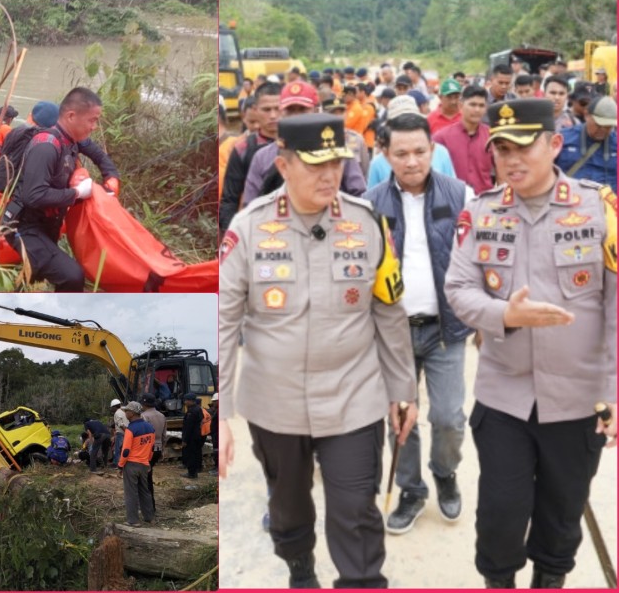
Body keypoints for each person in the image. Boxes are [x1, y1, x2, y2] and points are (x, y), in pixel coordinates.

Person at [219, 113, 418, 588]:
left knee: (355, 509)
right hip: (275, 402)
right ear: (284, 166)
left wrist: (403, 389)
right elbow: (224, 323)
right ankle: (300, 570)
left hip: (353, 395)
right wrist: (219, 411)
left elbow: (389, 312)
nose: (330, 175)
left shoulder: (367, 224)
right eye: (315, 164)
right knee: (288, 509)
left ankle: (362, 581)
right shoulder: (248, 230)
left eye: (336, 162)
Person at [444, 98, 617, 588]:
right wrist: (505, 314)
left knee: (561, 521)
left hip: (578, 400)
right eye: (501, 148)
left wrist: (615, 390)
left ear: (555, 144)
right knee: (499, 516)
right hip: (504, 398)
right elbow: (458, 289)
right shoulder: (480, 212)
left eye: (523, 146)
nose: (511, 159)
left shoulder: (599, 208)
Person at [363, 112, 473, 534]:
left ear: (433, 151)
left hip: (447, 330)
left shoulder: (460, 194)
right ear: (386, 154)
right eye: (402, 153)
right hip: (395, 335)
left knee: (448, 417)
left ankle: (445, 474)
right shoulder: (370, 204)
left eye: (420, 152)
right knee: (400, 417)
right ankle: (411, 489)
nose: (412, 162)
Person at [3, 87, 102, 291]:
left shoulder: (70, 142)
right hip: (23, 225)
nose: (94, 126)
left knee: (35, 273)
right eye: (92, 120)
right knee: (72, 276)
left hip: (47, 222)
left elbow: (98, 156)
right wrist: (76, 193)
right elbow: (34, 195)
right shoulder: (46, 145)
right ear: (71, 116)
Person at [242, 81, 366, 204]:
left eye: (302, 109)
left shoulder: (337, 152)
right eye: (290, 110)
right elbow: (252, 204)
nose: (296, 116)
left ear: (316, 110)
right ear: (281, 113)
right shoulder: (263, 157)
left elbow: (358, 195)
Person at [219, 82, 282, 233]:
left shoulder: (300, 145)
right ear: (255, 110)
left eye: (278, 109)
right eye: (266, 109)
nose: (273, 115)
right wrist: (232, 236)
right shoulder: (243, 149)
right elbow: (229, 200)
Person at [367, 96, 457, 188]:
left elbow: (452, 189)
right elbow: (372, 200)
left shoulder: (441, 153)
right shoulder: (378, 163)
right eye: (398, 123)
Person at [434, 86, 494, 195]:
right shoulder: (441, 137)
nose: (477, 110)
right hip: (453, 198)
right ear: (461, 106)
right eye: (472, 104)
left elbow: (500, 171)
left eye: (481, 105)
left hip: (484, 198)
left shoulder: (492, 136)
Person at [556, 95, 617, 191]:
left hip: (606, 203)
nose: (603, 130)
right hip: (571, 200)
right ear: (587, 115)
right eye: (599, 125)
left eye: (608, 126)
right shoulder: (564, 138)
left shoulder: (616, 144)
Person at [118, 401, 155, 527]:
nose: (125, 413)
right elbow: (151, 448)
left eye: (127, 411)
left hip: (132, 464)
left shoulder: (131, 429)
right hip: (144, 464)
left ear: (132, 413)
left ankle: (133, 520)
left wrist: (120, 465)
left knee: (131, 492)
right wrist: (148, 461)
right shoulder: (150, 427)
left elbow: (126, 450)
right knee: (145, 491)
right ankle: (149, 517)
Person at [321, 96, 370, 179]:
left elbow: (365, 171)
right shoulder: (316, 139)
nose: (338, 116)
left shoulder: (357, 139)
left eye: (341, 112)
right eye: (333, 113)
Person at [140, 393, 167, 510]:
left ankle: (149, 507)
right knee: (148, 476)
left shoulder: (144, 416)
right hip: (158, 448)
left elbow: (143, 436)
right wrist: (162, 451)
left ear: (144, 403)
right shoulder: (162, 416)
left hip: (148, 450)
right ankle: (150, 506)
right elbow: (164, 435)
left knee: (145, 479)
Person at [181, 393, 203, 479]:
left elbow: (188, 428)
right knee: (196, 453)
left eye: (186, 400)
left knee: (190, 455)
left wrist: (185, 440)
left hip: (191, 438)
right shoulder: (198, 409)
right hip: (197, 436)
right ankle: (195, 470)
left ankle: (192, 473)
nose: (185, 402)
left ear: (191, 401)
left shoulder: (192, 411)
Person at [110, 397, 129, 468]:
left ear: (114, 407)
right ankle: (122, 463)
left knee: (117, 449)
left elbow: (121, 424)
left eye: (112, 407)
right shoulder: (123, 412)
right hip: (125, 432)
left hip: (120, 433)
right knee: (123, 449)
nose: (111, 409)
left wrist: (126, 432)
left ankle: (116, 464)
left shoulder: (117, 413)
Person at [209, 392, 219, 476]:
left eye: (214, 401)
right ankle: (216, 466)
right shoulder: (217, 411)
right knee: (216, 451)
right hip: (215, 435)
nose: (213, 403)